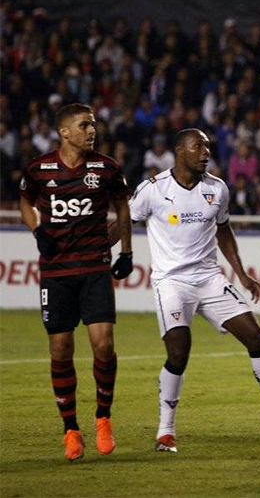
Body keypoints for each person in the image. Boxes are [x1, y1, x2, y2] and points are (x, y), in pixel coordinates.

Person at [129, 129, 260, 453]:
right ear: (179, 151)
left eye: (207, 146)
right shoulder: (153, 190)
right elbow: (124, 220)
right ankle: (165, 431)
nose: (206, 152)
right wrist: (110, 254)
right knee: (178, 351)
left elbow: (224, 231)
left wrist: (241, 274)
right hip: (172, 282)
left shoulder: (217, 188)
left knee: (257, 337)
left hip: (209, 278)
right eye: (198, 146)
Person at [19, 103, 133, 461]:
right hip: (56, 273)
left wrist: (126, 252)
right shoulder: (39, 169)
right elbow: (25, 201)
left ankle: (103, 417)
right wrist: (37, 229)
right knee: (60, 349)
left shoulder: (106, 168)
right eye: (84, 125)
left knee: (104, 344)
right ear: (64, 132)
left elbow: (123, 207)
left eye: (93, 125)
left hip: (95, 268)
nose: (91, 130)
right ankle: (70, 429)